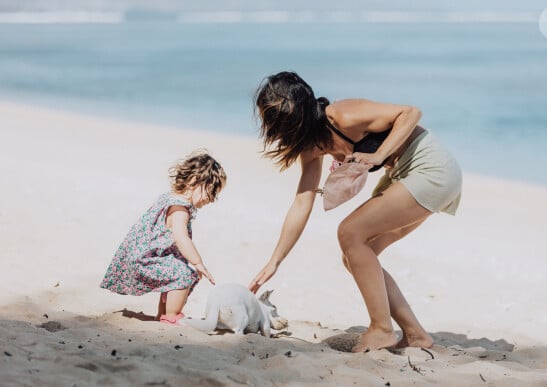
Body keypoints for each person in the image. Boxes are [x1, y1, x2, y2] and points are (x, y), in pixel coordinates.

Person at [248, 71, 462, 352]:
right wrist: (275, 260)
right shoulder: (311, 146)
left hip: (431, 169)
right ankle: (416, 335)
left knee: (350, 232)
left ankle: (382, 329)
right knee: (358, 254)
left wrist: (378, 156)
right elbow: (302, 202)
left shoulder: (342, 114)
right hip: (405, 175)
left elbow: (411, 113)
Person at [100, 150, 226, 325]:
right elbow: (181, 237)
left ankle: (163, 315)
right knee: (183, 274)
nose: (212, 199)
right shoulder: (180, 208)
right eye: (211, 191)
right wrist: (197, 263)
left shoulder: (169, 198)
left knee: (174, 271)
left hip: (142, 255)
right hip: (144, 259)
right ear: (193, 181)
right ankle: (172, 316)